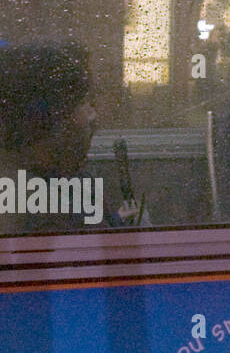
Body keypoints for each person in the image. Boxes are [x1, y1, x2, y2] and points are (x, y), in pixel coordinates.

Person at [0, 41, 140, 234]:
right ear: (51, 118)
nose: (94, 116)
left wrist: (115, 219)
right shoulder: (36, 202)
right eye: (84, 102)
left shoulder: (71, 181)